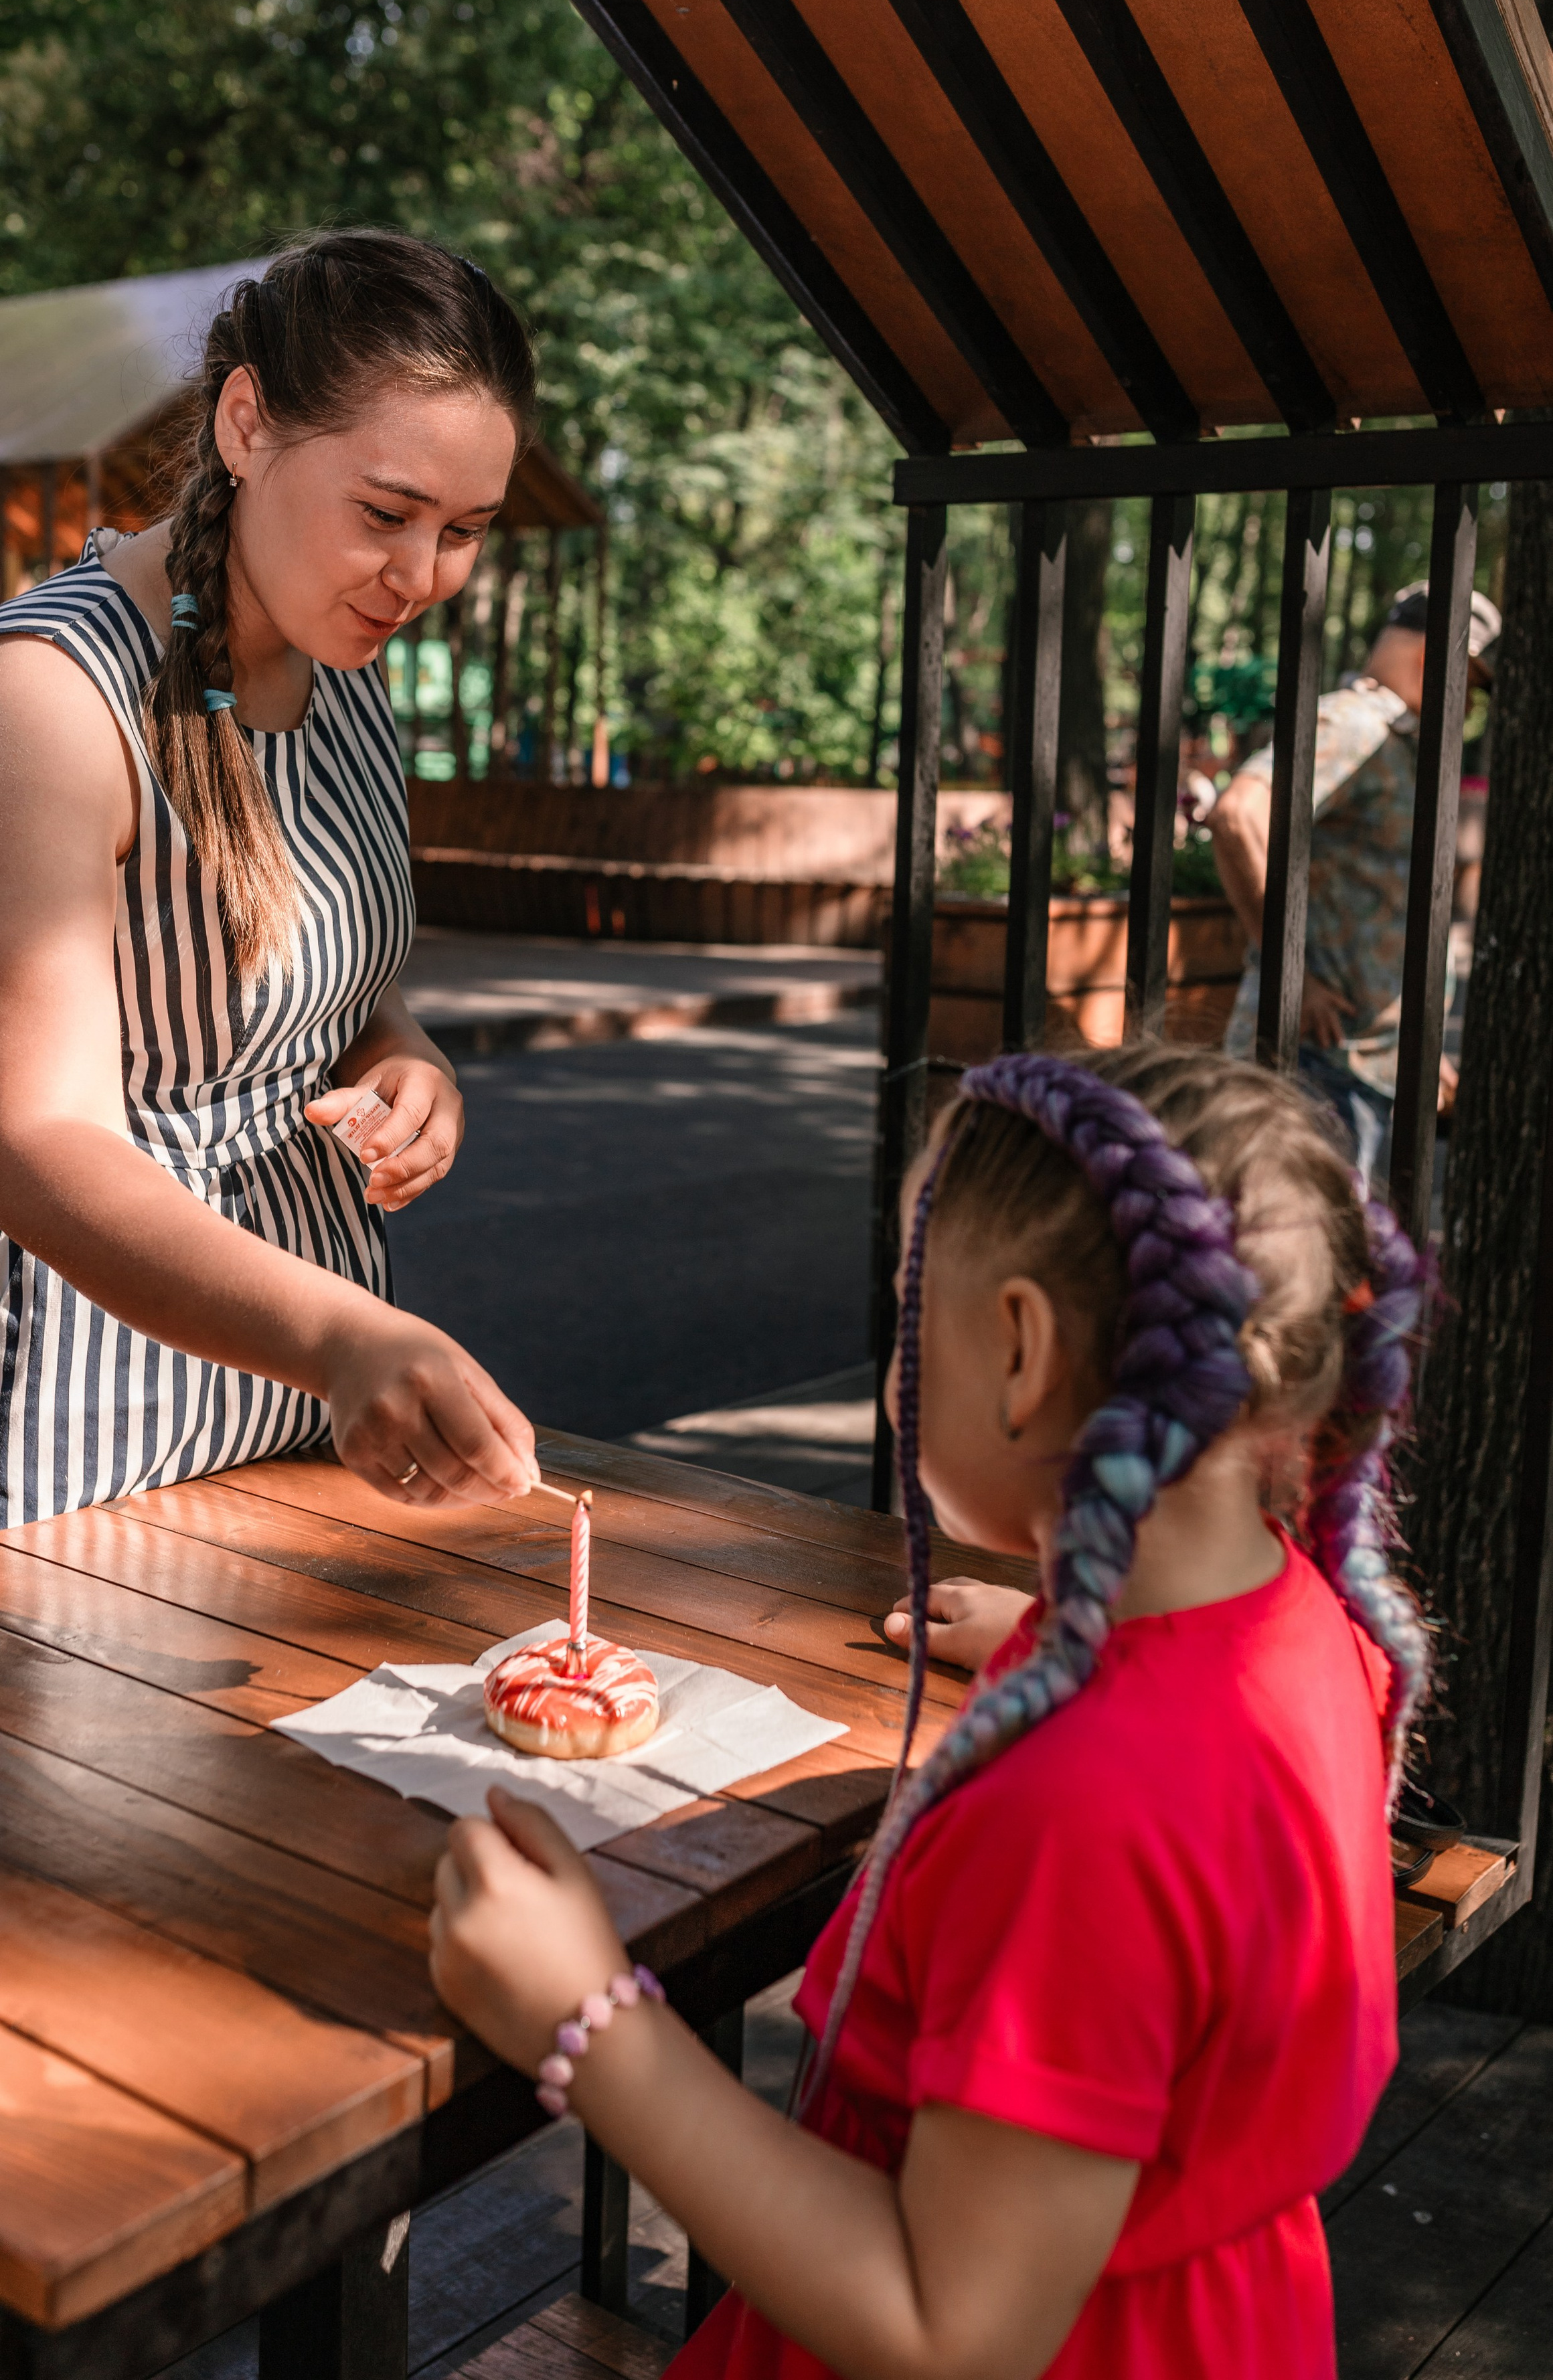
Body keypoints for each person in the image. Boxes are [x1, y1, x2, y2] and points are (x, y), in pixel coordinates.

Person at [428, 1043, 1428, 2380]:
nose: (899, 1364)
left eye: (910, 1318)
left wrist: (592, 2021)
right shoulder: (1300, 1629)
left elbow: (949, 2328)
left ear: (1018, 1349)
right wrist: (1047, 1636)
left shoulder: (1079, 1817)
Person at [0, 231, 543, 1561]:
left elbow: (304, 970)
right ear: (246, 423)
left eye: (463, 534)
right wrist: (344, 1336)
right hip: (75, 1410)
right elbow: (37, 1144)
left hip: (305, 1405)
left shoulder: (341, 661)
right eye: (385, 513)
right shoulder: (47, 697)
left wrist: (399, 1056)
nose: (419, 581)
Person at [1209, 580, 1500, 1184]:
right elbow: (1238, 815)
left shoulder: (1393, 739)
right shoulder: (1354, 723)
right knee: (1288, 1262)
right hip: (1314, 1065)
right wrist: (1293, 971)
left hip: (1359, 1064)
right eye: (1469, 686)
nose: (1469, 707)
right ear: (1433, 661)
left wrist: (1412, 1050)